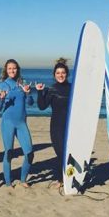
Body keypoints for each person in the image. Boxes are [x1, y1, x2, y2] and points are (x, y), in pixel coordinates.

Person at [0, 59, 34, 187]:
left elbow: (30, 103)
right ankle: (8, 182)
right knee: (9, 153)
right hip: (8, 123)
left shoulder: (22, 84)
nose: (12, 70)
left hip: (22, 123)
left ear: (18, 69)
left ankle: (23, 180)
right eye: (10, 68)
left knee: (29, 153)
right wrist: (1, 99)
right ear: (6, 70)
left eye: (14, 68)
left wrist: (28, 94)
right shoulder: (2, 85)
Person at [36, 58, 71, 188]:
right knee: (60, 153)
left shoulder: (73, 88)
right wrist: (39, 92)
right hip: (56, 127)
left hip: (70, 126)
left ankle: (67, 178)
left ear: (67, 74)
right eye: (58, 73)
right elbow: (42, 106)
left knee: (69, 153)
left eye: (63, 73)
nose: (60, 75)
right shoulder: (52, 89)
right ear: (54, 75)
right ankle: (61, 179)